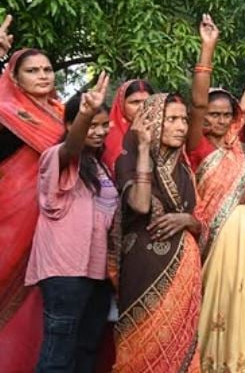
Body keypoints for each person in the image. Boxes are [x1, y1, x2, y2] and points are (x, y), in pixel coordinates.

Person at [187, 15, 245, 372]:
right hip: (215, 239)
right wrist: (207, 50)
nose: (220, 120)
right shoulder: (196, 146)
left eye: (225, 115)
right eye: (213, 114)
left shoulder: (234, 142)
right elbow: (198, 103)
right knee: (218, 301)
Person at [25, 75, 113, 372]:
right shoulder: (58, 157)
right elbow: (70, 149)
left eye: (104, 125)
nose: (99, 132)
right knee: (58, 353)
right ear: (70, 125)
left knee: (86, 348)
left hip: (97, 271)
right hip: (65, 271)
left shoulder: (101, 166)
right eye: (92, 125)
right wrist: (86, 113)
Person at [112, 93, 203, 372]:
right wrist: (142, 149)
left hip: (185, 266)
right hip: (144, 266)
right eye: (171, 119)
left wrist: (187, 219)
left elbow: (199, 224)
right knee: (141, 341)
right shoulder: (127, 160)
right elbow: (140, 204)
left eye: (183, 120)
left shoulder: (185, 169)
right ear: (150, 123)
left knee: (179, 341)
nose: (181, 127)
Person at [0, 42, 64, 371]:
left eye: (47, 69)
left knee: (39, 305)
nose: (42, 75)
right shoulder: (5, 112)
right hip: (8, 219)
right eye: (32, 70)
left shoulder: (62, 114)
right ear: (15, 76)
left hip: (51, 225)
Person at [103, 79, 155, 177]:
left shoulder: (163, 131)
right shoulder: (107, 135)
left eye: (148, 102)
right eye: (135, 102)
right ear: (122, 105)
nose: (141, 108)